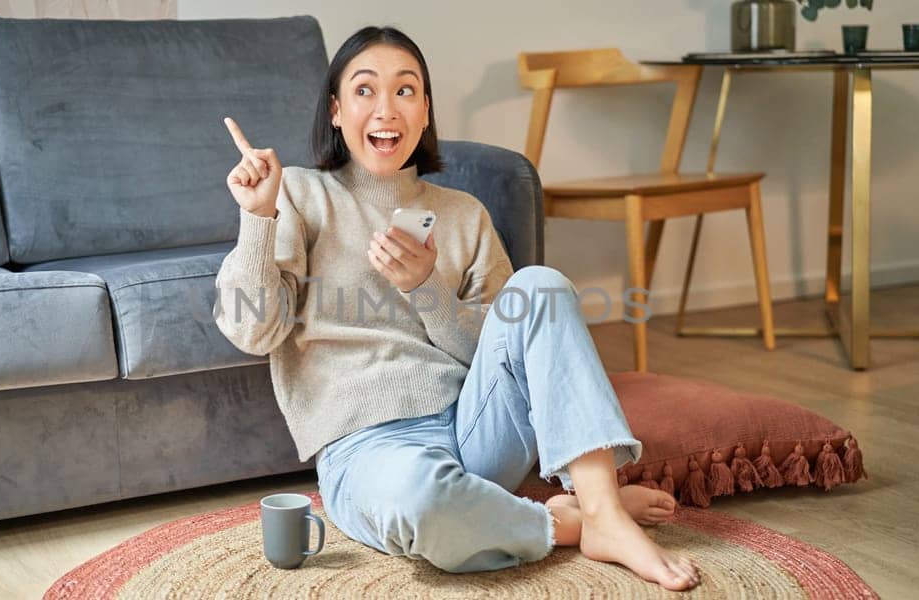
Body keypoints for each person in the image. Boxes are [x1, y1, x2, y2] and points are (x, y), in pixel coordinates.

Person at [213, 25, 698, 591]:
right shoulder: (297, 194)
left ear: (424, 112)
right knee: (423, 504)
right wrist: (258, 217)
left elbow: (502, 352)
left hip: (475, 425)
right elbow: (254, 330)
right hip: (368, 449)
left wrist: (427, 288)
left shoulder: (463, 213)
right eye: (365, 90)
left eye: (405, 90)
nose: (386, 108)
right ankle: (562, 521)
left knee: (539, 285)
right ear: (337, 112)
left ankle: (604, 510)